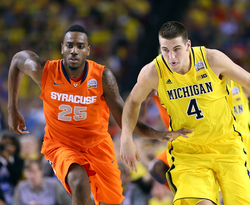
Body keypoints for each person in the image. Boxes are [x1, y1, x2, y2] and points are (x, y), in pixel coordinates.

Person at [7, 25, 190, 205]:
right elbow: (17, 60)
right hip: (61, 144)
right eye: (69, 45)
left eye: (80, 46)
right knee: (79, 183)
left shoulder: (102, 77)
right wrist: (12, 109)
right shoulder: (43, 70)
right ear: (62, 48)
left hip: (98, 146)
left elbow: (124, 119)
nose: (74, 51)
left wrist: (158, 134)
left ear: (87, 50)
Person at [120, 21, 250, 205]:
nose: (171, 56)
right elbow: (133, 101)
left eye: (177, 49)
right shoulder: (153, 72)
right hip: (190, 151)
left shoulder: (211, 59)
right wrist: (126, 136)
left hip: (227, 145)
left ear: (188, 45)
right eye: (165, 50)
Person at [0, 130, 24, 205]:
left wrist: (8, 161)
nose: (8, 147)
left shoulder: (19, 160)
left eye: (11, 144)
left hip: (14, 193)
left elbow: (16, 177)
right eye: (6, 144)